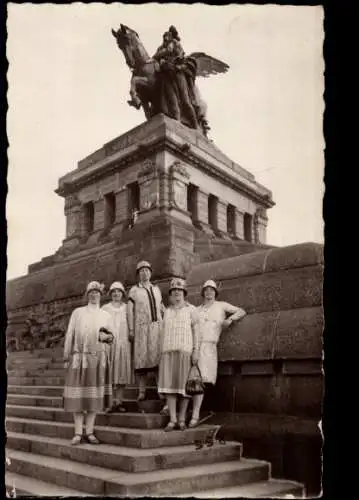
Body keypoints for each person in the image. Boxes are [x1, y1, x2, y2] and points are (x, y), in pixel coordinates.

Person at [63, 281, 114, 445]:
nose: (94, 295)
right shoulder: (78, 312)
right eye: (91, 293)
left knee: (93, 399)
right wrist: (66, 356)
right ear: (87, 295)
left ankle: (90, 431)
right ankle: (78, 433)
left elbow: (112, 337)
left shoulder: (105, 315)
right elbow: (70, 333)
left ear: (101, 295)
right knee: (78, 398)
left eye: (97, 293)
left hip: (98, 359)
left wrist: (107, 338)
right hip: (79, 358)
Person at [190, 280, 246, 427]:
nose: (209, 293)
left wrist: (230, 320)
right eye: (206, 290)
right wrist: (193, 350)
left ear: (215, 292)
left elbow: (241, 311)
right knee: (193, 381)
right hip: (195, 347)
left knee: (203, 381)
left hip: (210, 347)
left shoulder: (221, 306)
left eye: (212, 290)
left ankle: (196, 413)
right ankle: (193, 414)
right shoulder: (196, 310)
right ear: (203, 293)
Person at [158, 278, 200, 431]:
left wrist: (196, 350)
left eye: (179, 290)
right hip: (168, 352)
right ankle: (173, 419)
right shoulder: (167, 311)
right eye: (174, 290)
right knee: (170, 388)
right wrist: (161, 352)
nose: (176, 292)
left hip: (185, 352)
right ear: (170, 294)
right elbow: (162, 333)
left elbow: (197, 332)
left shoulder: (191, 310)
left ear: (184, 293)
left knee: (184, 389)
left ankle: (182, 419)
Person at [127, 261, 165, 404]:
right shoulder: (134, 290)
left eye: (147, 270)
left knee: (157, 359)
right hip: (141, 329)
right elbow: (129, 311)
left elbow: (161, 306)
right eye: (141, 271)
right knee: (141, 361)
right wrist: (131, 329)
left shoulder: (156, 289)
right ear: (138, 274)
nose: (144, 273)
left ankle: (160, 390)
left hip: (156, 328)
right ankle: (141, 391)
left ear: (151, 273)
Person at [102, 281, 132, 413]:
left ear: (122, 294)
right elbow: (100, 328)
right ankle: (109, 402)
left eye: (118, 291)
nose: (116, 294)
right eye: (113, 292)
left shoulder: (127, 308)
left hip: (124, 343)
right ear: (110, 294)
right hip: (109, 345)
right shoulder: (105, 308)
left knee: (121, 373)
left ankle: (119, 401)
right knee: (109, 374)